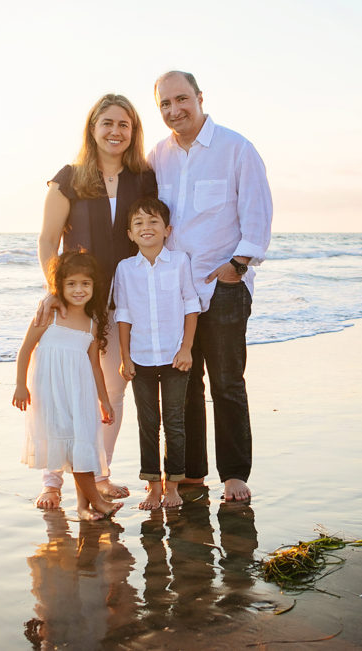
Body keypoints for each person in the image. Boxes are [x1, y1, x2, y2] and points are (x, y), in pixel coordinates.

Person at [147, 71, 273, 503]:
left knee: (226, 383)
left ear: (200, 97)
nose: (174, 110)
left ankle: (234, 474)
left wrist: (236, 266)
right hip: (175, 292)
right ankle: (193, 474)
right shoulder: (157, 156)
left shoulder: (236, 148)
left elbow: (257, 213)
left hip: (221, 287)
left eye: (181, 99)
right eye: (165, 104)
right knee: (185, 386)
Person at [35, 93, 158, 509]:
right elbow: (48, 240)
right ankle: (53, 480)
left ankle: (100, 475)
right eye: (107, 123)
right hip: (78, 300)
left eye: (124, 124)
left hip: (125, 302)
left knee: (113, 392)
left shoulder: (143, 178)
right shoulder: (68, 178)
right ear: (93, 128)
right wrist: (56, 292)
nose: (115, 131)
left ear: (133, 132)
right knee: (65, 393)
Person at [13, 251, 124, 521]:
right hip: (51, 394)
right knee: (71, 448)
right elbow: (26, 349)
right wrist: (20, 385)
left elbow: (95, 366)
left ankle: (85, 507)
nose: (78, 290)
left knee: (81, 447)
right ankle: (95, 502)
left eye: (85, 284)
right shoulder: (48, 316)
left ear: (94, 286)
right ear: (59, 286)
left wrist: (104, 400)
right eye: (71, 284)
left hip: (80, 394)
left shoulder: (92, 324)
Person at [113, 198, 200, 510]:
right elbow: (123, 314)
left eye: (153, 222)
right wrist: (125, 357)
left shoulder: (179, 262)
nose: (146, 228)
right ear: (130, 234)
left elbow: (191, 304)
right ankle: (152, 485)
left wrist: (187, 348)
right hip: (141, 357)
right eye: (138, 224)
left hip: (175, 356)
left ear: (167, 230)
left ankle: (173, 484)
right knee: (148, 422)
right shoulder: (125, 269)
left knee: (174, 420)